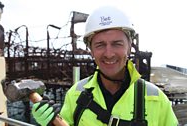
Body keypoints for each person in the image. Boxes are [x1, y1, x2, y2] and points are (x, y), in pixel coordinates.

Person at [32, 5, 179, 126]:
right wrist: (49, 124)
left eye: (117, 44)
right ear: (91, 50)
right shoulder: (75, 95)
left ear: (129, 48)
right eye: (100, 45)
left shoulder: (156, 99)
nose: (109, 54)